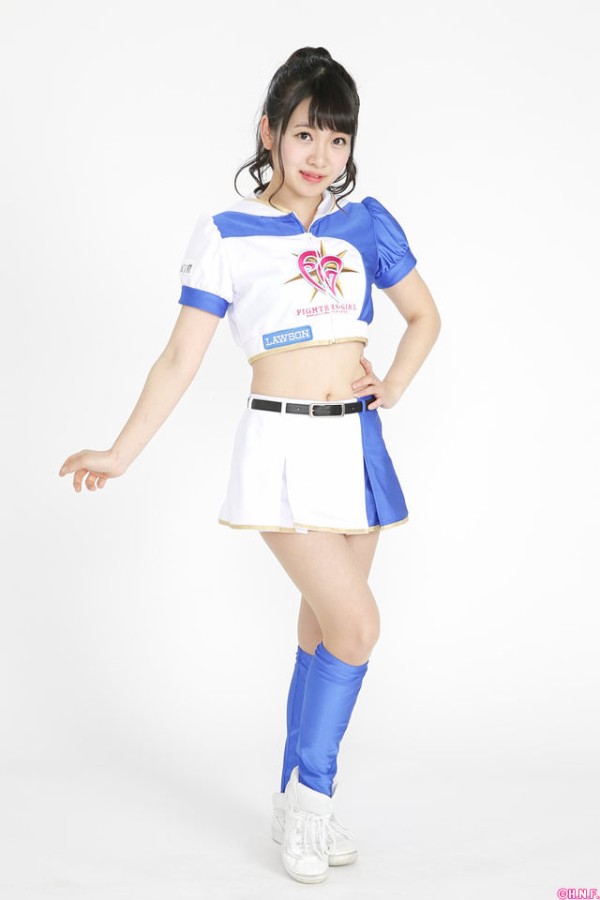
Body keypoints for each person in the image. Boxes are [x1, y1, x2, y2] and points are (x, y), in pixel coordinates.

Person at [58, 46, 441, 885]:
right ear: (269, 132)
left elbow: (424, 316)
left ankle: (292, 798)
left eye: (337, 139)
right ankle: (314, 803)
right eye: (305, 133)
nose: (320, 156)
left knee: (324, 631)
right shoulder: (227, 235)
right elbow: (179, 359)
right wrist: (121, 452)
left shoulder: (366, 223)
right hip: (282, 450)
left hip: (356, 447)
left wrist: (394, 385)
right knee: (358, 627)